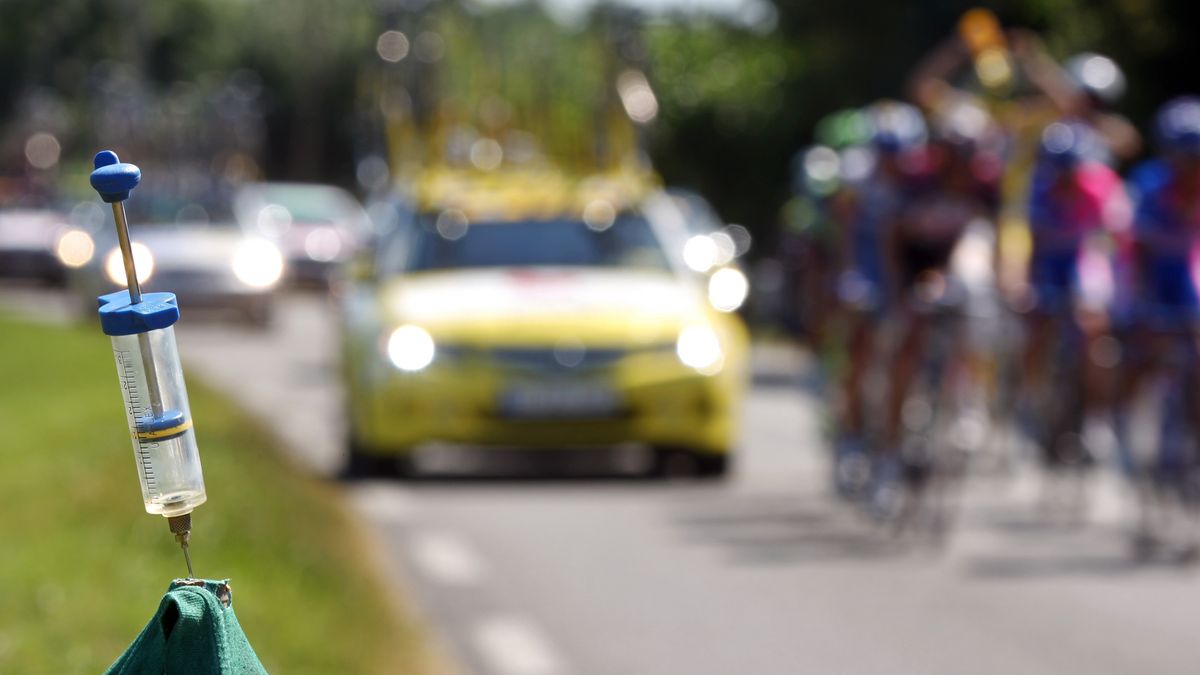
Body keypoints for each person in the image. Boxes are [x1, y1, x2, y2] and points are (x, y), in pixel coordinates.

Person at [1017, 121, 1131, 464]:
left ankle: (1098, 417)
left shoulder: (1100, 189)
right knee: (1035, 324)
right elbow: (1030, 245)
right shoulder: (1037, 188)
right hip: (1049, 263)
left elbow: (1112, 241)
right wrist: (1024, 286)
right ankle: (1031, 400)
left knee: (1095, 333)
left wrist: (1102, 292)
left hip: (1087, 259)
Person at [832, 100, 928, 495]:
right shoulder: (857, 178)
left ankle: (894, 443)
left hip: (904, 272)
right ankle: (851, 433)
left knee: (907, 357)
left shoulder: (921, 180)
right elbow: (845, 236)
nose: (893, 162)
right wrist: (849, 279)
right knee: (862, 348)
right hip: (867, 266)